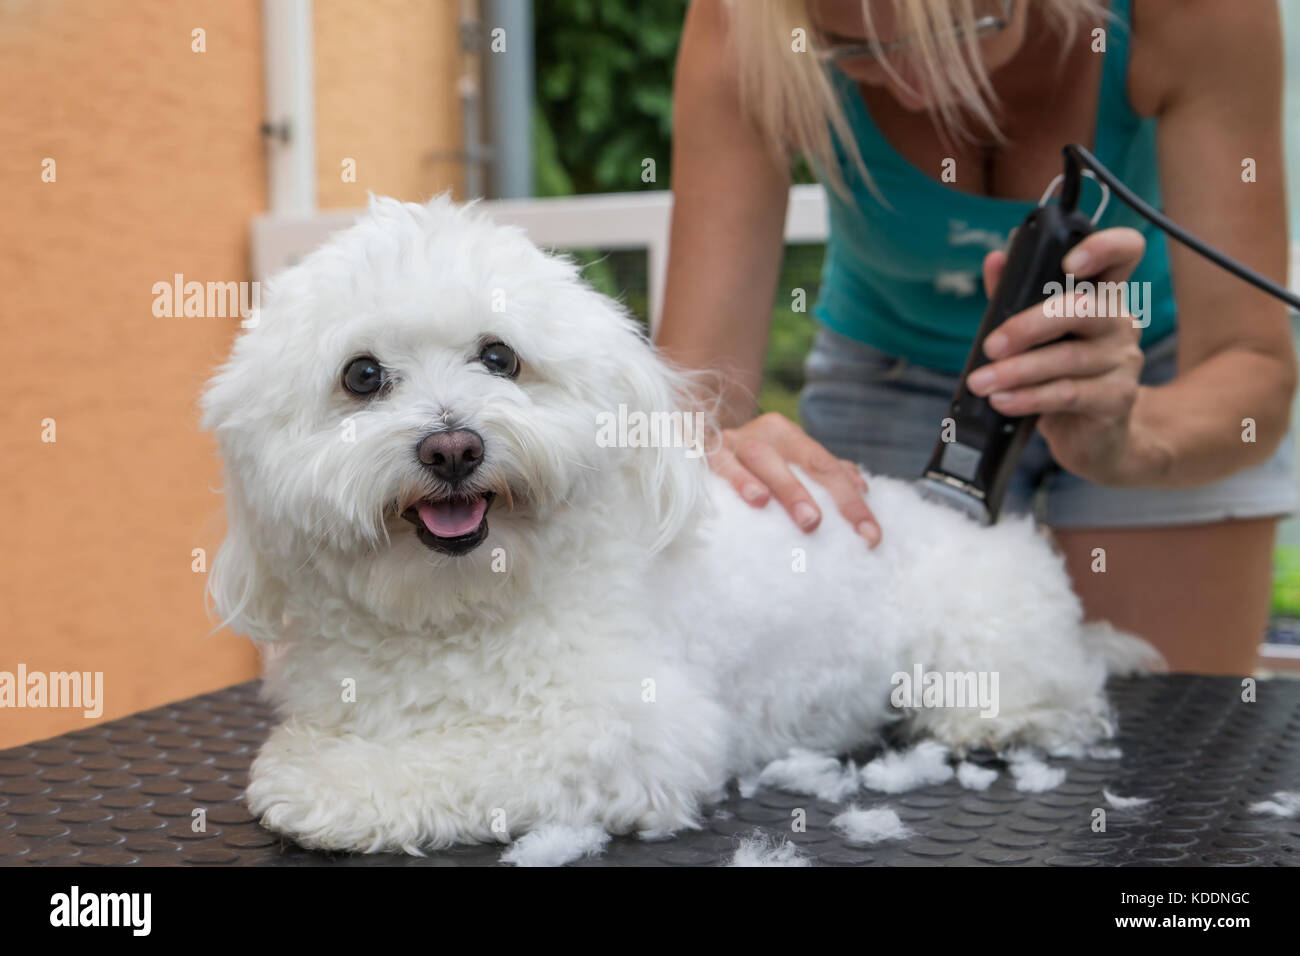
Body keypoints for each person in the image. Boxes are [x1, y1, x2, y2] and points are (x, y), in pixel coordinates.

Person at [658, 0, 1298, 673]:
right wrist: (722, 451)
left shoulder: (1197, 14)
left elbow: (1251, 364)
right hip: (889, 369)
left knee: (1172, 738)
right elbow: (693, 398)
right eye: (852, 48)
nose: (913, 85)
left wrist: (1131, 436)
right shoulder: (746, 17)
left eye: (961, 33)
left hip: (1150, 375)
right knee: (879, 721)